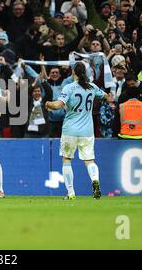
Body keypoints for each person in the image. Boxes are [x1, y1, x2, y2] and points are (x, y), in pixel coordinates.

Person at [45, 62, 112, 200]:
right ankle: (95, 181)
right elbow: (107, 96)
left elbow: (57, 105)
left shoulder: (69, 87)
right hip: (87, 131)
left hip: (70, 130)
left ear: (73, 72)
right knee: (89, 161)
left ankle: (70, 193)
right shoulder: (92, 87)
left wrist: (48, 103)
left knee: (67, 159)